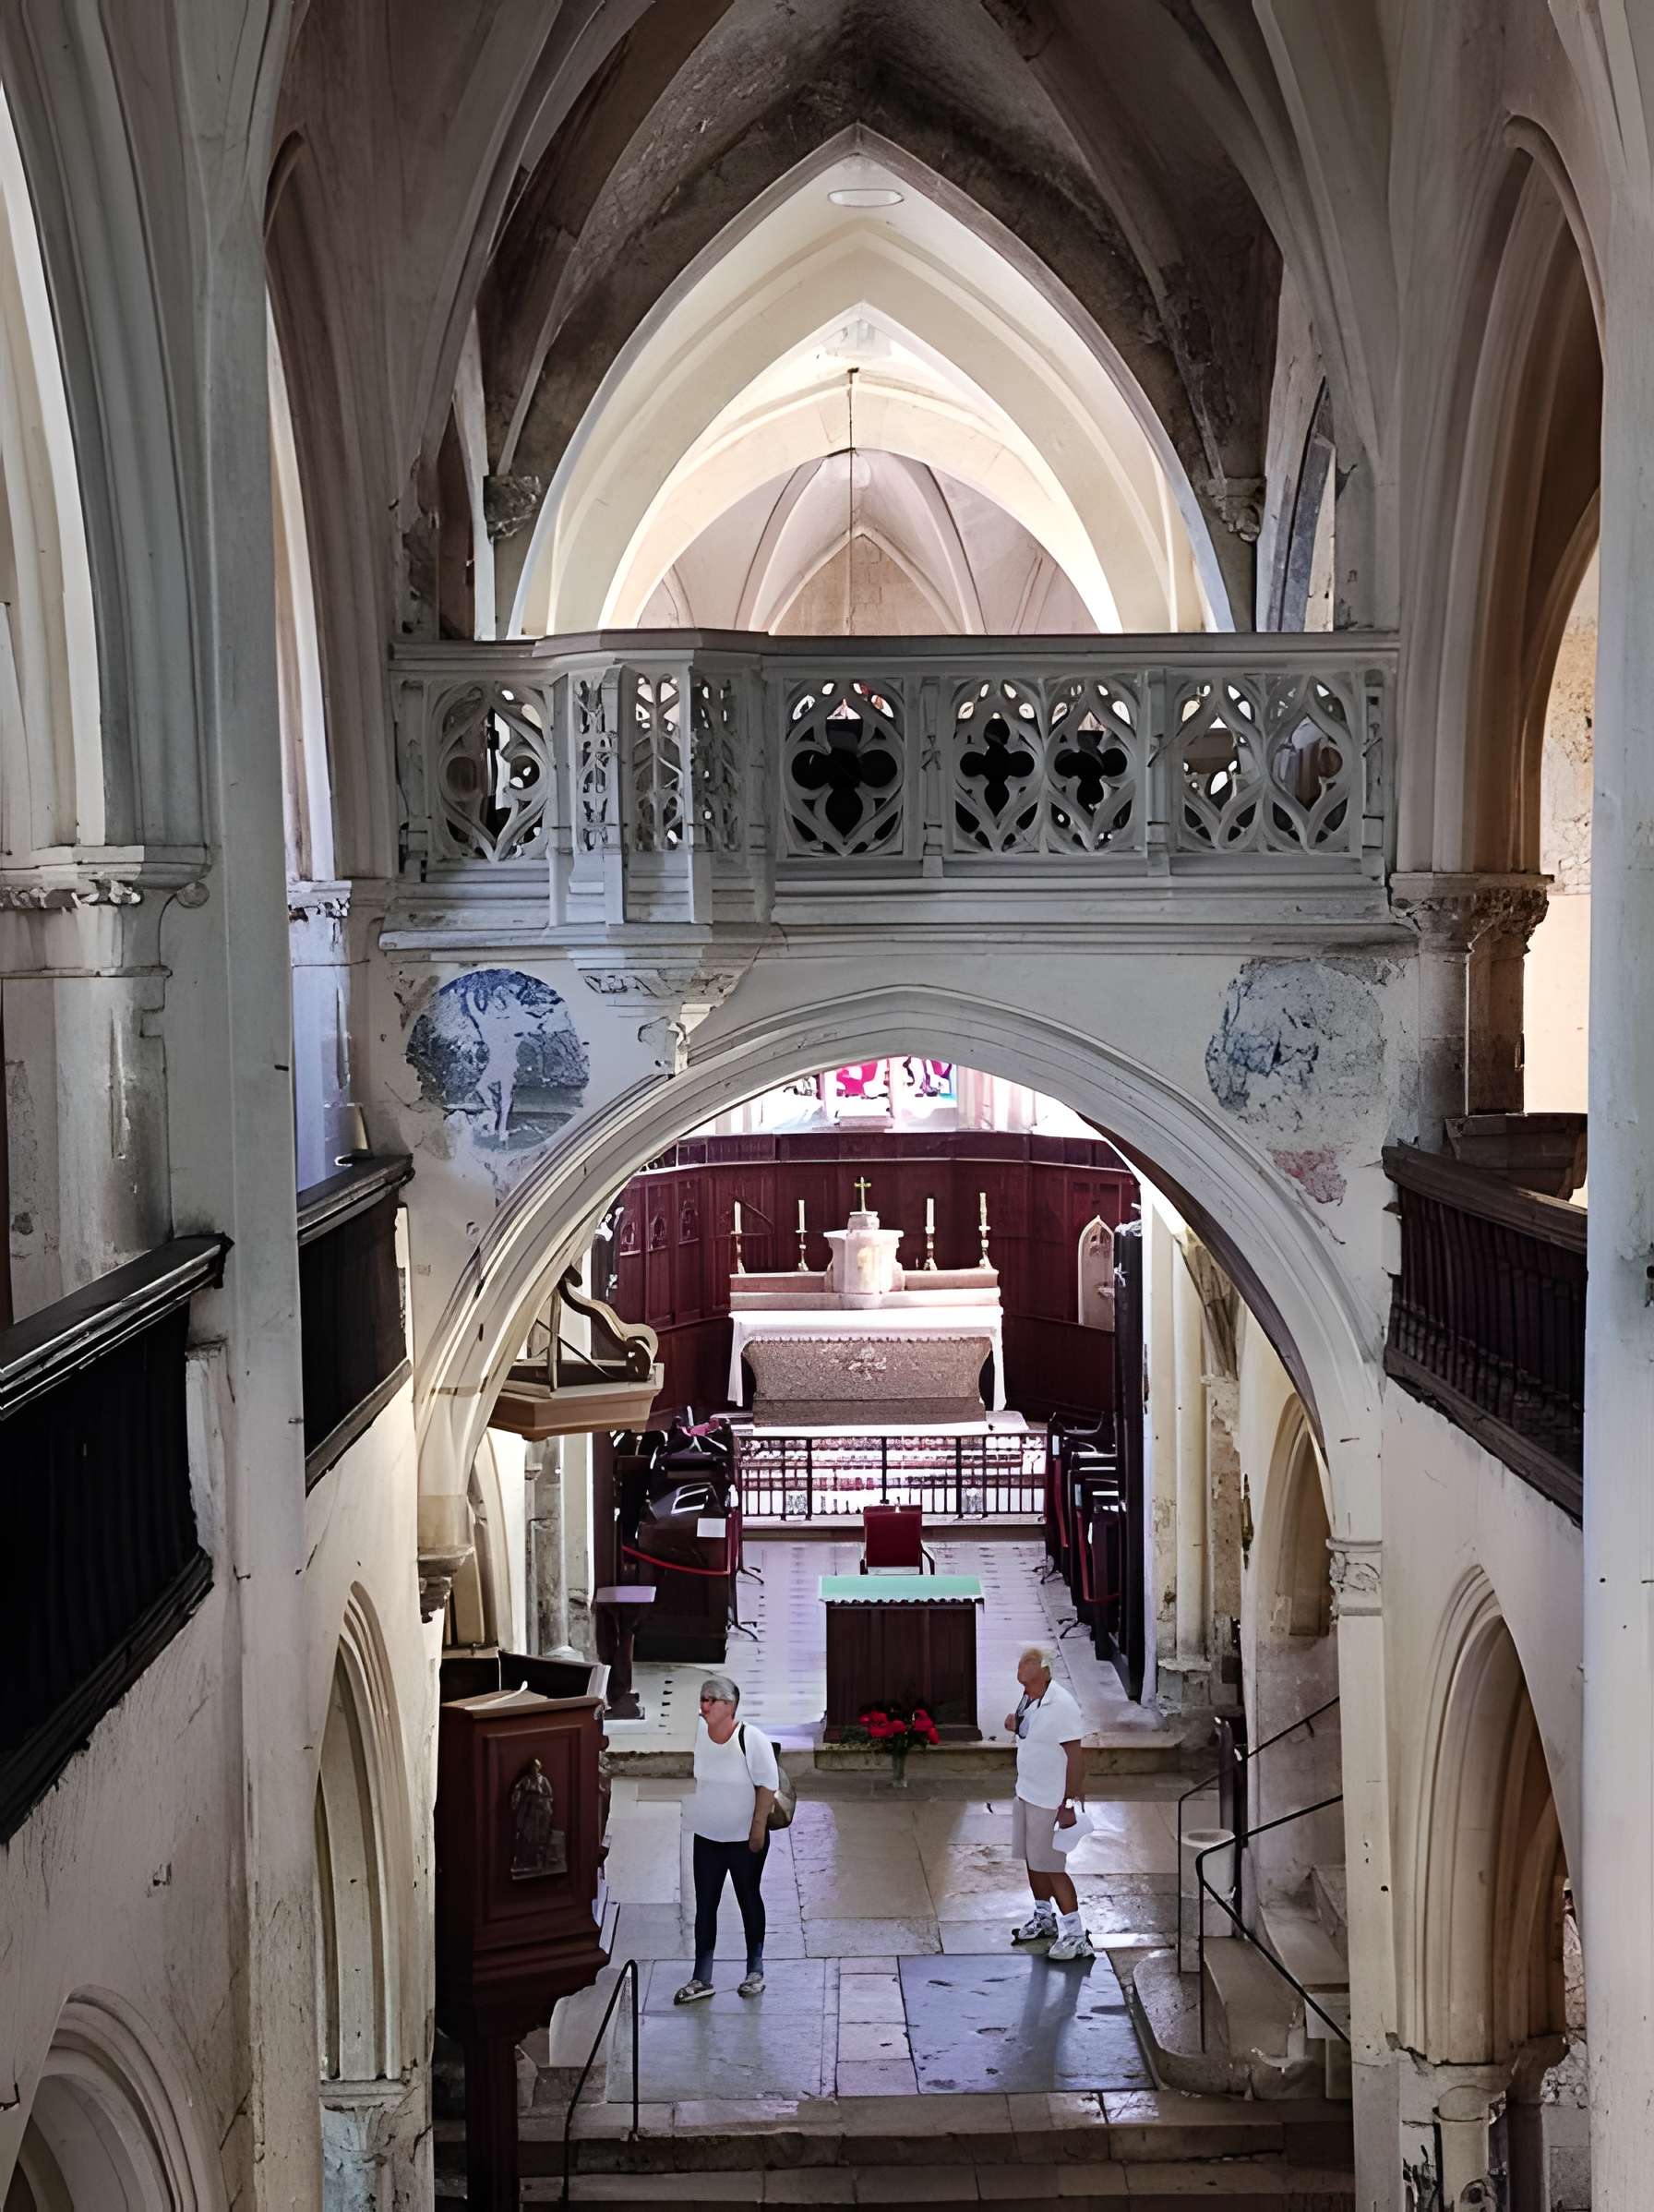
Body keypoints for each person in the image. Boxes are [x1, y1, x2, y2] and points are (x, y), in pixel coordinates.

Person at [675, 1673, 778, 2003]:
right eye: (702, 1700)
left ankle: (754, 1969)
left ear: (729, 1706)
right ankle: (701, 1977)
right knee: (706, 1905)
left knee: (748, 1897)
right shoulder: (698, 1735)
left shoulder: (752, 1739)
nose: (703, 1706)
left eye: (710, 1700)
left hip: (744, 1839)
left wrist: (758, 1828)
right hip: (707, 1838)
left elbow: (767, 1786)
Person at [1004, 1642, 1091, 1961]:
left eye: (1027, 1663)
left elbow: (1075, 1756)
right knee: (1032, 1859)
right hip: (1026, 1791)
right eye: (1020, 1662)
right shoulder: (1030, 1698)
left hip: (1050, 1799)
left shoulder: (1063, 1705)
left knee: (1053, 1865)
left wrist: (1067, 1803)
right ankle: (1044, 1918)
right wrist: (1015, 1723)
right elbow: (1029, 1729)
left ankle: (1076, 1935)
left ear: (1043, 1669)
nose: (1020, 1668)